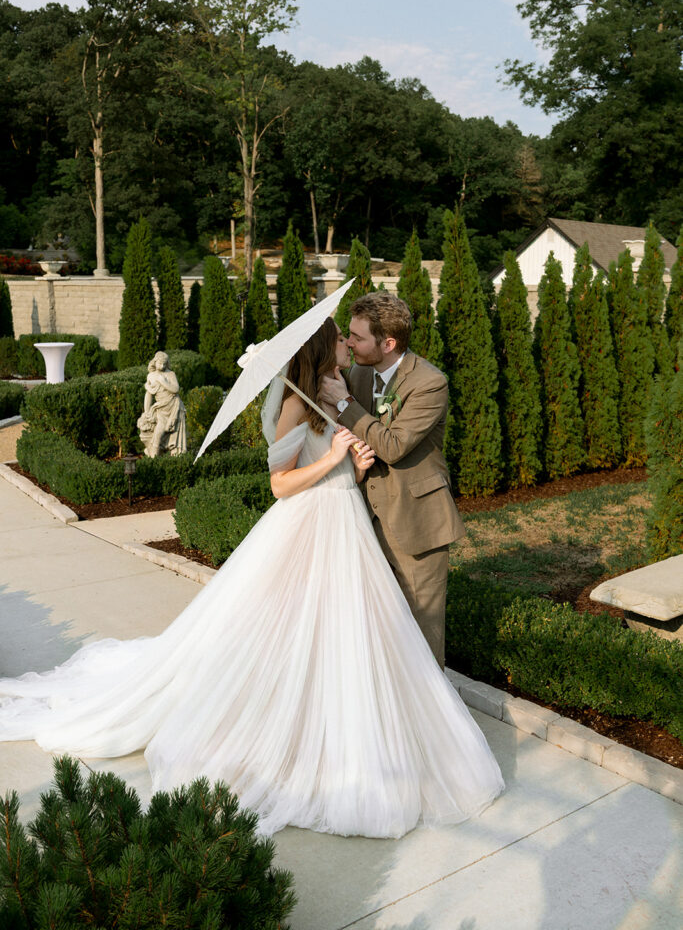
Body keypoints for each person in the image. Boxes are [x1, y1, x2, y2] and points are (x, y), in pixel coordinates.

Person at [0, 318, 502, 839]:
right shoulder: (293, 405)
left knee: (342, 629)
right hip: (310, 525)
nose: (347, 346)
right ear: (319, 350)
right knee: (294, 628)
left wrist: (351, 466)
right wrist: (333, 456)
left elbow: (338, 467)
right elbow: (280, 484)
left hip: (347, 521)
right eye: (339, 339)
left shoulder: (334, 396)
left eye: (351, 338)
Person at [321, 293, 464, 669]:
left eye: (357, 337)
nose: (349, 343)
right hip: (364, 518)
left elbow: (394, 445)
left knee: (422, 630)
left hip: (416, 518)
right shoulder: (358, 373)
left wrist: (344, 404)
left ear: (388, 344)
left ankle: (431, 721)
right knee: (376, 624)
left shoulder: (430, 383)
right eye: (347, 335)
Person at [137, 350, 187, 457]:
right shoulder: (151, 376)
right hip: (161, 409)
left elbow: (175, 389)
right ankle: (153, 459)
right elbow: (149, 395)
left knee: (175, 433)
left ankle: (176, 458)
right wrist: (146, 412)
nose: (162, 365)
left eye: (164, 363)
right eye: (160, 363)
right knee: (158, 433)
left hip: (174, 406)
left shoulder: (170, 374)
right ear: (155, 362)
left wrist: (163, 381)